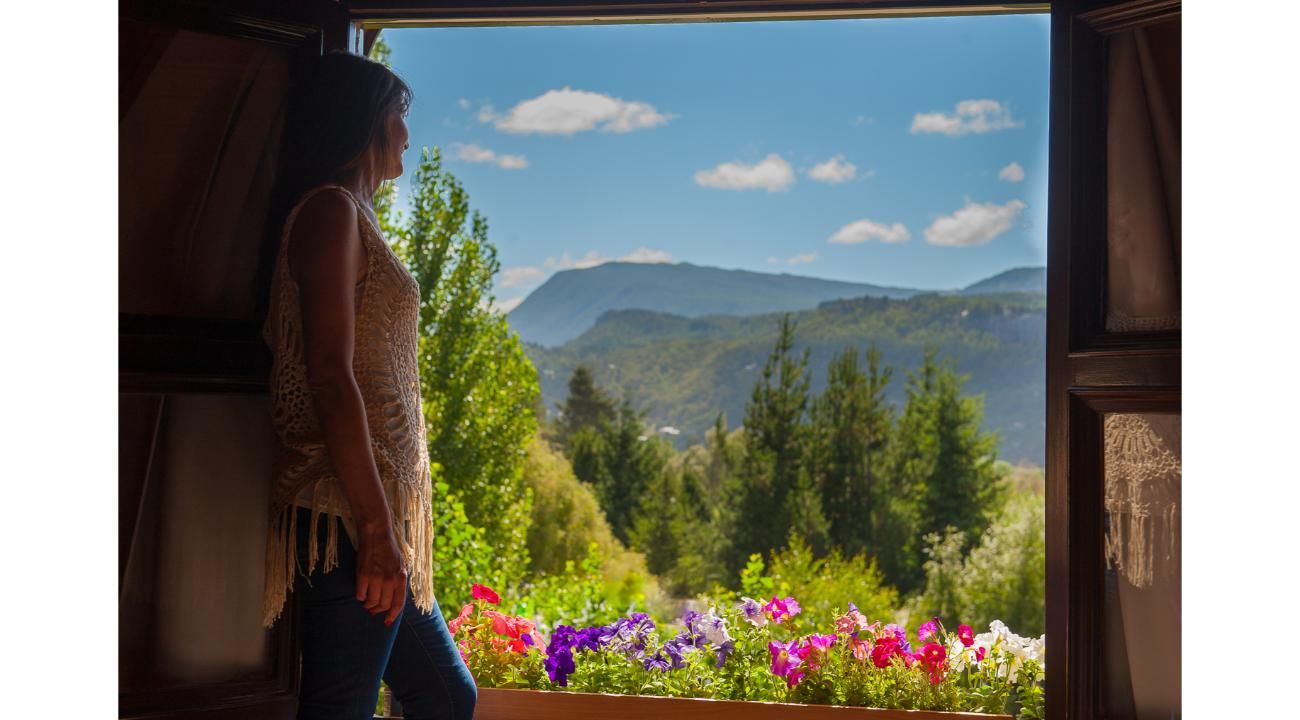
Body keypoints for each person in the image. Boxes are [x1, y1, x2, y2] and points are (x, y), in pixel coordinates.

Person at [259, 50, 476, 720]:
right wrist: (377, 530)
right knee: (341, 708)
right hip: (348, 513)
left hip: (370, 511)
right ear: (366, 122)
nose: (407, 134)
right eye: (398, 115)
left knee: (445, 695)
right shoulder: (329, 210)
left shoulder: (352, 213)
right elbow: (330, 373)